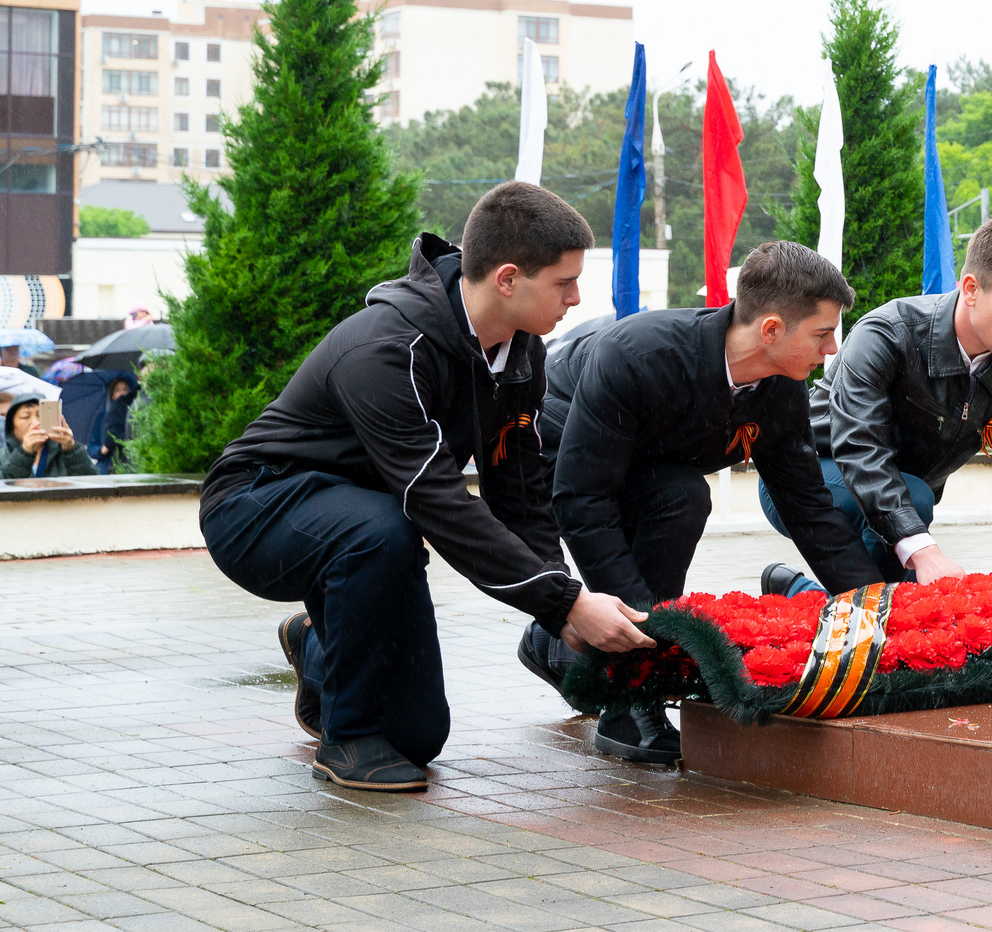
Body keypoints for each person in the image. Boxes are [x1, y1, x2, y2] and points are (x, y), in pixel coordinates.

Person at [199, 183, 651, 793]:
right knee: (386, 527)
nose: (577, 298)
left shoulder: (520, 354)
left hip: (372, 528)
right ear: (509, 279)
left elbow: (520, 492)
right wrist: (565, 603)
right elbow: (433, 498)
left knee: (416, 738)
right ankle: (346, 741)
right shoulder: (388, 347)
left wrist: (559, 606)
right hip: (258, 507)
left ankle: (319, 649)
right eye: (565, 282)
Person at [529, 240, 879, 765]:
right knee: (680, 498)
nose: (831, 350)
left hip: (650, 465)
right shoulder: (640, 355)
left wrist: (879, 609)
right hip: (559, 442)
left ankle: (556, 645)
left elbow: (808, 507)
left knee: (677, 494)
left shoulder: (780, 382)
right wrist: (652, 637)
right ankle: (629, 694)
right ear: (771, 330)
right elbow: (583, 500)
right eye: (824, 334)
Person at [766, 216, 992, 593]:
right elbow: (860, 448)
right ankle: (845, 607)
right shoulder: (888, 334)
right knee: (911, 541)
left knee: (902, 592)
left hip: (901, 498)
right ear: (971, 289)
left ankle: (795, 591)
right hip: (804, 477)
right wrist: (922, 549)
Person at [1, 390, 93, 479]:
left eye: (40, 415)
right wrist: (24, 454)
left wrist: (72, 450)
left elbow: (92, 484)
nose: (35, 422)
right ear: (11, 426)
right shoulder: (3, 456)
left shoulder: (65, 451)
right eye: (26, 417)